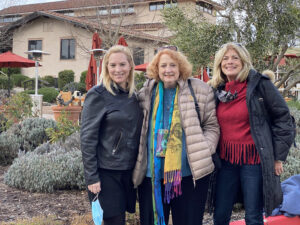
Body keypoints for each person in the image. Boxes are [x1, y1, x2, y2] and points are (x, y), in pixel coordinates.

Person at [209, 42, 295, 225]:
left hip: (254, 161)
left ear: (244, 61)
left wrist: (278, 157)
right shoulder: (216, 90)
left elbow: (284, 119)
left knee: (253, 216)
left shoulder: (259, 85)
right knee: (220, 214)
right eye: (225, 58)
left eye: (235, 57)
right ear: (219, 64)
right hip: (226, 161)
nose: (230, 62)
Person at [132, 46, 220, 225]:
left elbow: (212, 126)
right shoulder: (146, 93)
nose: (168, 70)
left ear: (181, 67)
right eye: (163, 65)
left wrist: (204, 149)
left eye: (172, 65)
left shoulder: (199, 90)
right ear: (156, 69)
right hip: (152, 175)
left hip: (188, 175)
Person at [80, 45, 143, 225]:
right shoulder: (97, 95)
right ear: (106, 67)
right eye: (113, 65)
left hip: (129, 171)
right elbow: (87, 139)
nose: (118, 70)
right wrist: (91, 177)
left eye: (122, 64)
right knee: (112, 220)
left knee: (121, 219)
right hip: (106, 172)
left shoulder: (134, 97)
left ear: (130, 66)